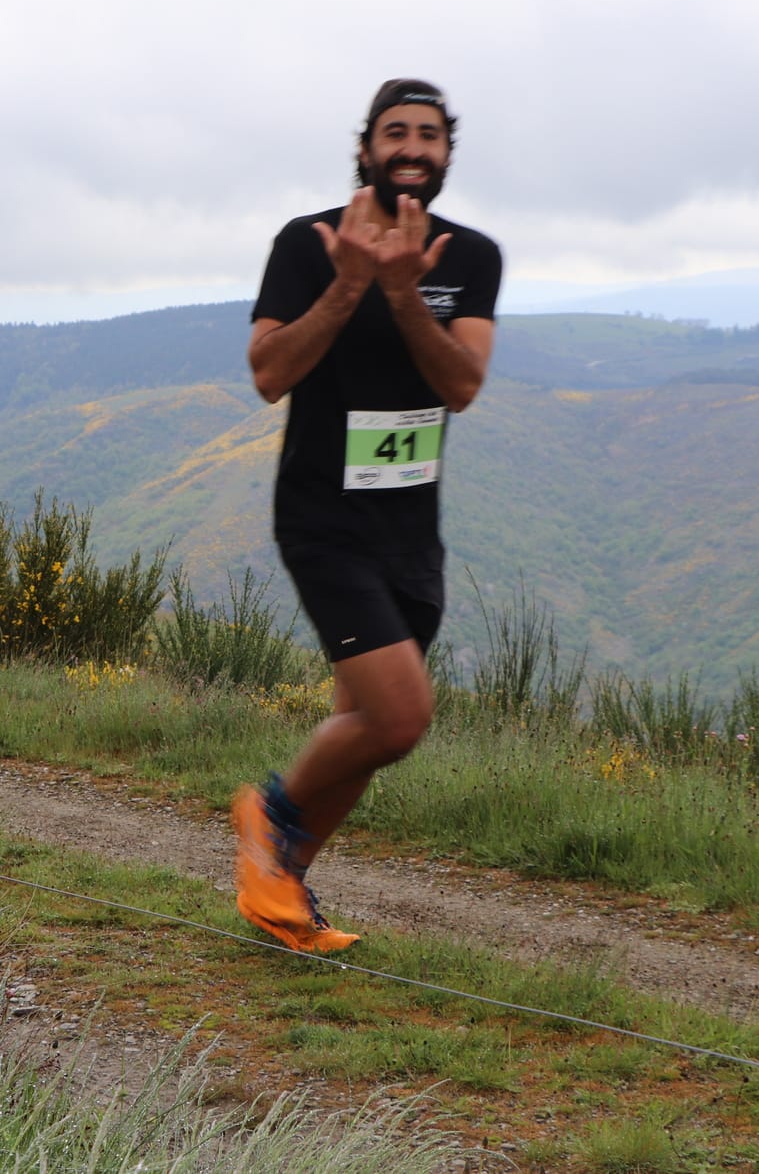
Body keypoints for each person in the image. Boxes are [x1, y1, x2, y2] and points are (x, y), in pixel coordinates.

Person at [235, 78, 502, 953]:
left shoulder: (471, 258)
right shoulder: (308, 245)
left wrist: (400, 296)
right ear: (365, 151)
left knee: (366, 735)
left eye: (430, 134)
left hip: (410, 534)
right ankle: (262, 826)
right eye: (396, 132)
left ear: (449, 153)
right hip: (323, 520)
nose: (413, 148)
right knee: (399, 718)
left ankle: (284, 896)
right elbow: (269, 371)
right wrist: (352, 285)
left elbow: (461, 387)